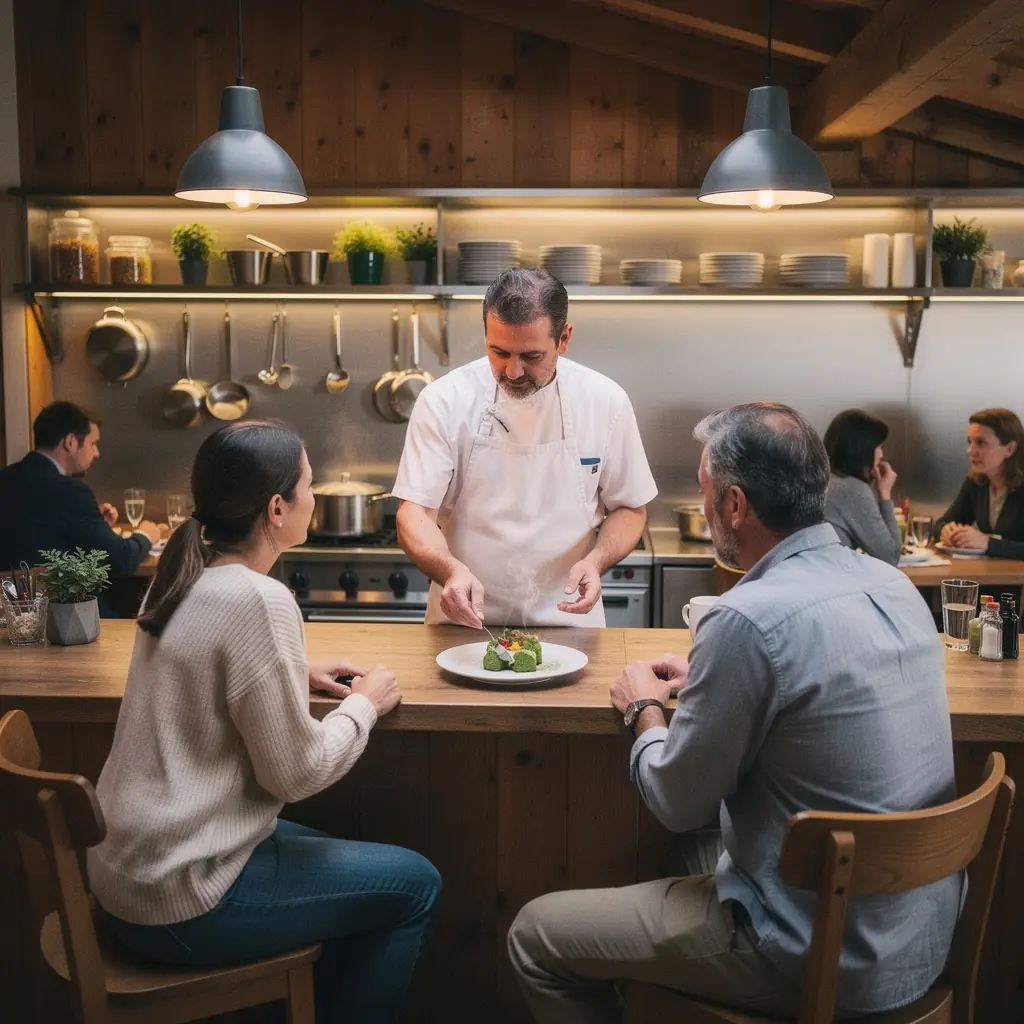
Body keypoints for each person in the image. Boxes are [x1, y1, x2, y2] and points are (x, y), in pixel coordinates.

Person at [508, 402, 959, 1022]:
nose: (703, 507)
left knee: (536, 936)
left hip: (816, 954)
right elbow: (813, 690)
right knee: (687, 863)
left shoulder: (746, 617)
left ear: (736, 505)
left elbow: (677, 803)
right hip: (920, 942)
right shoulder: (892, 585)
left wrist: (644, 708)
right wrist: (719, 683)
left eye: (704, 492)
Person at [87, 420, 440, 1024]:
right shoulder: (258, 598)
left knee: (352, 869)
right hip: (184, 899)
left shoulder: (177, 571)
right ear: (277, 508)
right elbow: (297, 775)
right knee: (416, 883)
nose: (314, 494)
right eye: (309, 485)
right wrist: (366, 704)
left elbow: (200, 670)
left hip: (126, 876)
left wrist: (290, 669)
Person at [393, 268, 658, 627]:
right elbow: (414, 513)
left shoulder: (605, 401)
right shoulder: (443, 400)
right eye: (498, 352)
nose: (513, 371)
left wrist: (596, 562)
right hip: (464, 625)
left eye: (531, 356)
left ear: (563, 339)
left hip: (570, 623)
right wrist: (449, 570)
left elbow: (630, 509)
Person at [0, 401, 161, 574]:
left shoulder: (5, 478)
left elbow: (38, 537)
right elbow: (120, 558)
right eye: (93, 443)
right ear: (70, 443)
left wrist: (94, 526)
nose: (97, 453)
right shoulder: (70, 491)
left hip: (8, 598)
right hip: (56, 600)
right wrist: (146, 534)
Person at [936, 408, 1024, 559]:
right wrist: (946, 530)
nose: (970, 451)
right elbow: (940, 523)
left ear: (1010, 449)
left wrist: (988, 543)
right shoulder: (976, 482)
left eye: (981, 443)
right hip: (990, 576)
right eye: (970, 442)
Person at [822, 408, 901, 564]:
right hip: (833, 582)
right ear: (862, 450)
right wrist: (885, 494)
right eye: (879, 447)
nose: (881, 455)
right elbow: (890, 557)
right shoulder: (851, 490)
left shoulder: (820, 480)